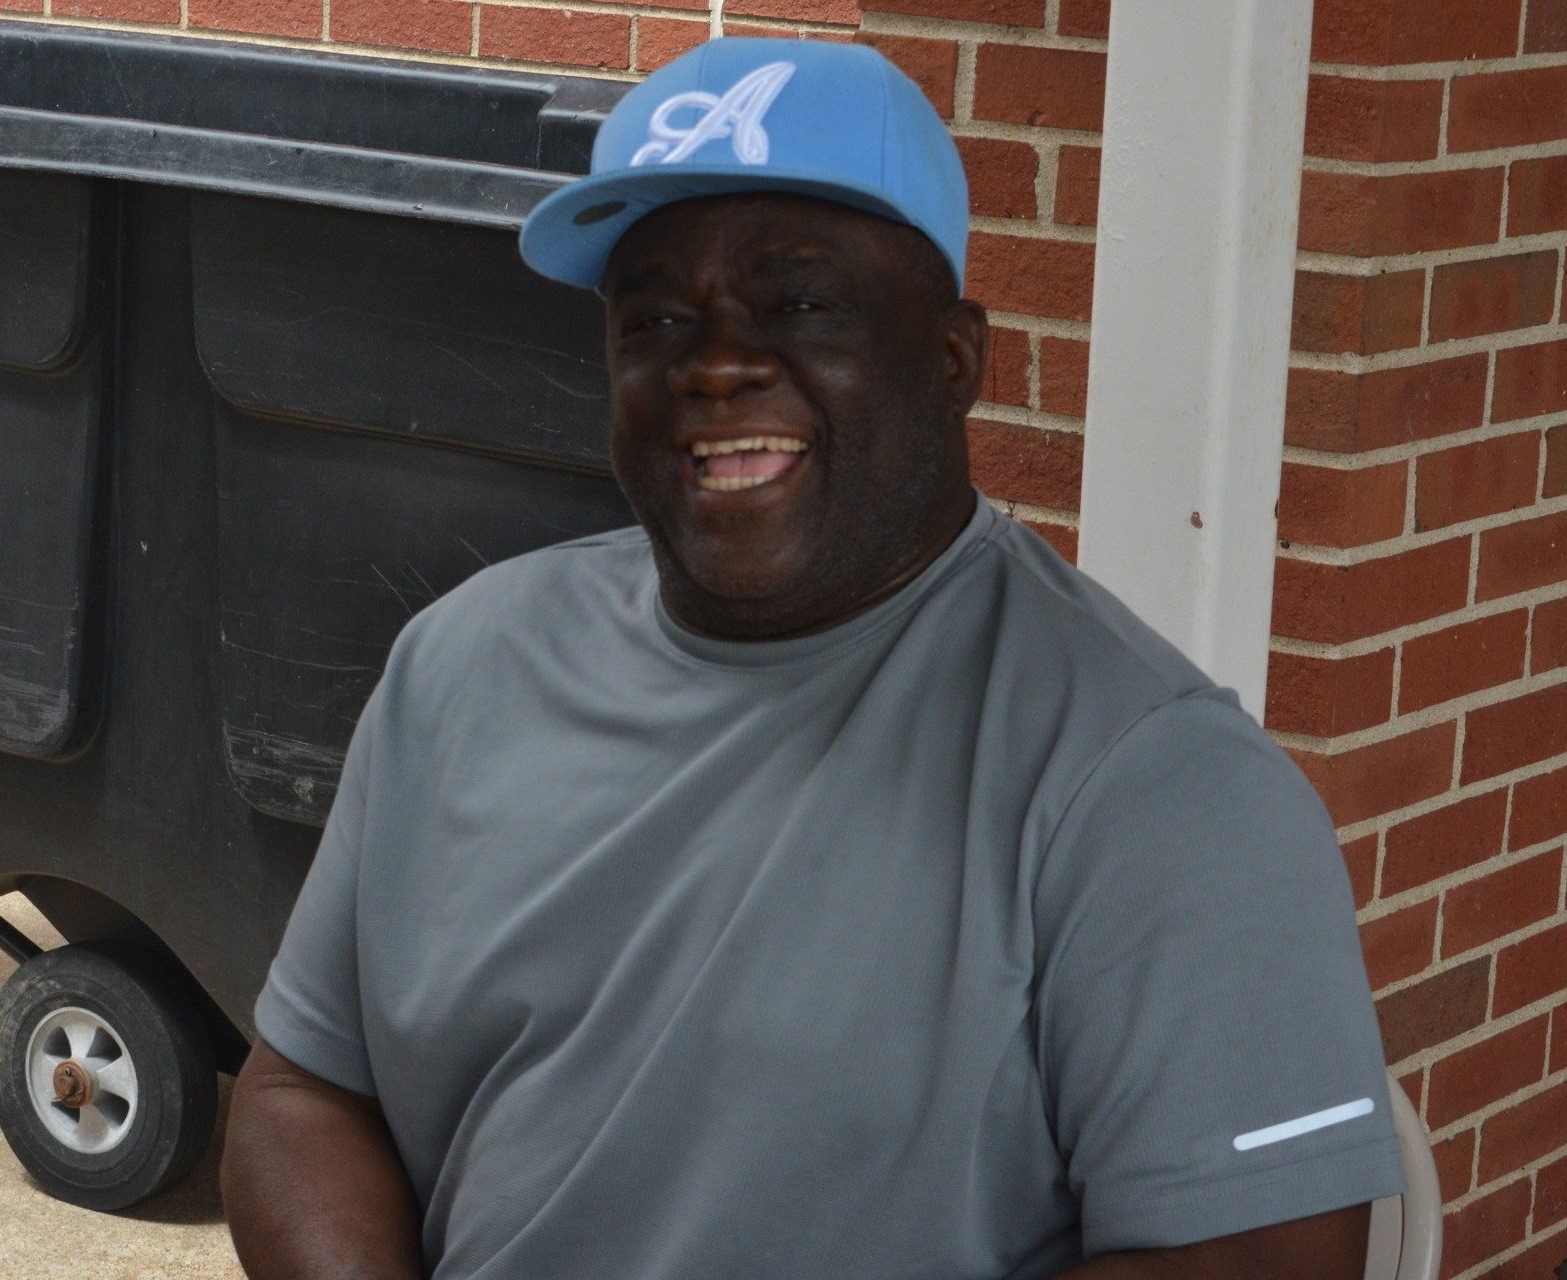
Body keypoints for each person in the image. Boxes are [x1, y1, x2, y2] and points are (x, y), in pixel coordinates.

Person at [221, 36, 1406, 1280]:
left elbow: (1263, 1258)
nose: (715, 363)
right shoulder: (461, 664)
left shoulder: (1158, 784)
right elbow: (304, 1090)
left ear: (954, 360)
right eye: (655, 318)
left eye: (800, 305)